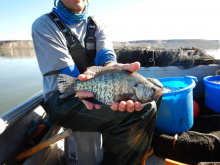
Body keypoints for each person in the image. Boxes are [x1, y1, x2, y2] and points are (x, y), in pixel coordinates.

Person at [32, 0, 162, 164]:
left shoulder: (96, 22)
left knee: (156, 87)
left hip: (95, 90)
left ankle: (131, 145)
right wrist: (84, 85)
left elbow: (106, 58)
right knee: (145, 108)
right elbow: (68, 74)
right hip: (61, 99)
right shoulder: (44, 25)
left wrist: (113, 68)